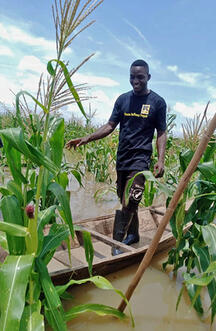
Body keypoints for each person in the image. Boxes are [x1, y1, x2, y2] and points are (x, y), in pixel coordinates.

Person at [66, 59, 167, 255]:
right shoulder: (122, 100)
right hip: (123, 159)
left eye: (140, 77)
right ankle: (134, 234)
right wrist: (86, 138)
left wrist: (161, 160)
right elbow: (110, 126)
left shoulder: (157, 102)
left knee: (131, 200)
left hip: (141, 160)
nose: (135, 81)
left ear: (148, 77)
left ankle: (116, 244)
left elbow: (162, 132)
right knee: (127, 202)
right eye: (132, 77)